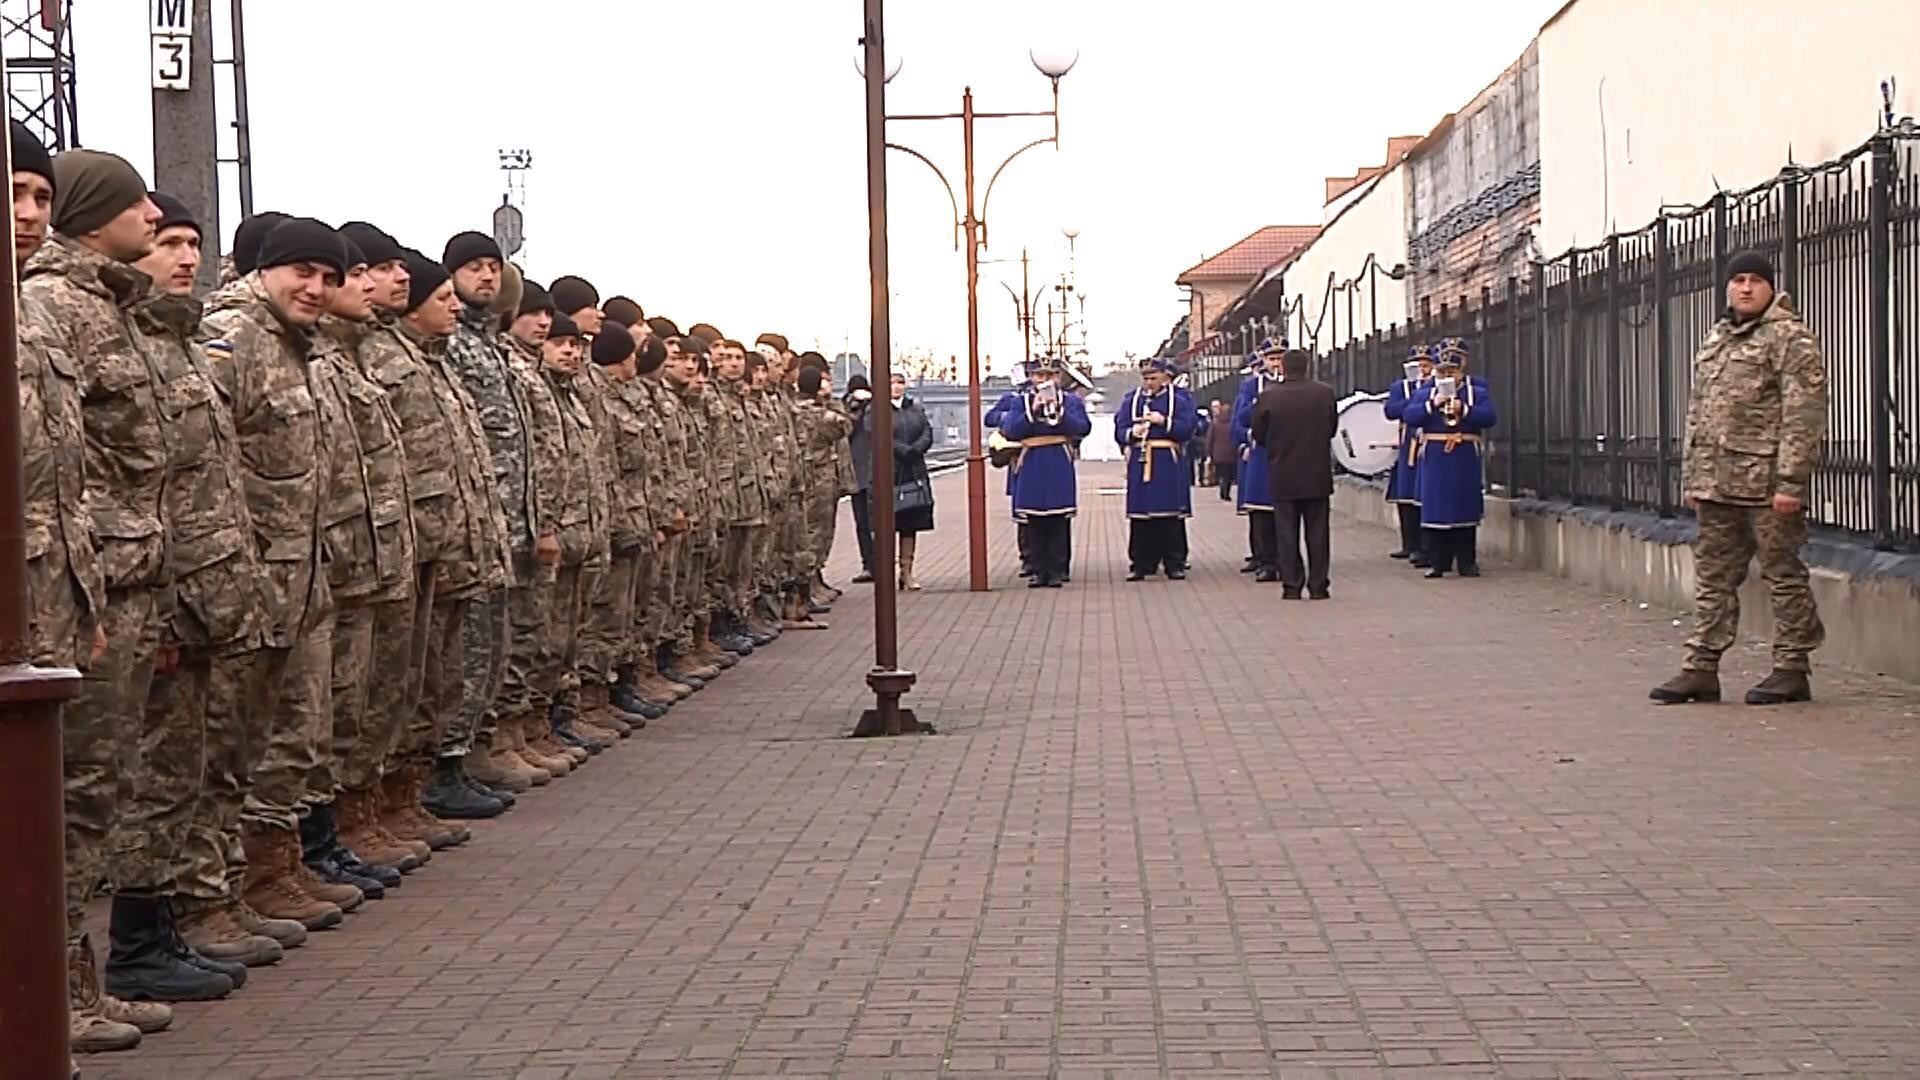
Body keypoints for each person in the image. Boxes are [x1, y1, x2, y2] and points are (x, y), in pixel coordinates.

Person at [1651, 250, 1829, 707]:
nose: (1745, 288)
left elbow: (1803, 416)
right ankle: (1701, 668)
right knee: (1712, 577)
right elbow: (1699, 413)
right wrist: (1695, 476)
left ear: (1770, 287)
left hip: (1767, 486)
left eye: (1755, 280)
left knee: (1782, 574)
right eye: (1738, 280)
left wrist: (1790, 482)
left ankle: (1792, 667)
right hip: (1718, 485)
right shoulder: (1718, 338)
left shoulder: (1791, 339)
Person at [1402, 337, 1496, 579]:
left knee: (1465, 506)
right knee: (1435, 508)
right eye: (1443, 371)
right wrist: (1433, 404)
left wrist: (1464, 410)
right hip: (1435, 455)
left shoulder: (1476, 391)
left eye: (1452, 372)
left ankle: (1467, 562)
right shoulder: (1426, 392)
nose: (1447, 376)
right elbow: (1410, 416)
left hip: (1464, 453)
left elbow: (1489, 417)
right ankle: (1438, 562)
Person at [1251, 350, 1338, 598]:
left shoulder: (1268, 396)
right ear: (1307, 366)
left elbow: (1258, 432)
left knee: (1286, 533)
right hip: (1317, 472)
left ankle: (1292, 585)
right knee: (1318, 533)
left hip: (1282, 473)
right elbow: (1331, 427)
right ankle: (1319, 585)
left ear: (1284, 368)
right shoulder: (1324, 393)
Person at [999, 355, 1091, 588]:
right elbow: (1010, 430)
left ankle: (1059, 568)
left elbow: (1083, 428)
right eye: (1040, 376)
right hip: (1031, 460)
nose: (1045, 380)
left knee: (1059, 517)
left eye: (1050, 375)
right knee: (1035, 517)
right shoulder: (1020, 401)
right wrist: (1033, 410)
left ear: (1058, 377)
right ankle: (1039, 570)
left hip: (1058, 458)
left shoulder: (1070, 401)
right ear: (1031, 378)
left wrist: (1061, 413)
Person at [1116, 357, 1198, 580]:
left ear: (1165, 376)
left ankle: (1174, 561)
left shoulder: (1180, 399)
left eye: (1154, 378)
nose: (1149, 383)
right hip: (1140, 459)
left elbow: (1189, 428)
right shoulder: (1131, 399)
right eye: (1146, 378)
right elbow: (1120, 428)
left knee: (1169, 512)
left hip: (1166, 459)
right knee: (1140, 514)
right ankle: (1141, 562)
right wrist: (1131, 433)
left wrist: (1164, 421)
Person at [1232, 341, 1287, 575]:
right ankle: (1265, 561)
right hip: (1263, 453)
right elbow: (1241, 417)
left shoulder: (1297, 384)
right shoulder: (1251, 386)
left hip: (1289, 452)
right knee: (1262, 511)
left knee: (1286, 511)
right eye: (1271, 359)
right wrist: (1261, 401)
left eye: (1280, 358)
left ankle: (1287, 561)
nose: (1275, 364)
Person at [1383, 344, 1432, 566]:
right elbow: (1391, 411)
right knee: (1405, 493)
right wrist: (1413, 397)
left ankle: (1425, 546)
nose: (1422, 369)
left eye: (1426, 365)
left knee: (1422, 493)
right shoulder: (1400, 387)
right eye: (1418, 365)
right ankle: (1409, 543)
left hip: (1426, 442)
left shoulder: (1435, 387)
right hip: (1407, 441)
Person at [887, 372, 935, 590]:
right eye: (892, 383)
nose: (896, 387)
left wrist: (917, 449)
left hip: (914, 470)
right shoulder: (877, 410)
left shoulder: (916, 408)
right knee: (888, 523)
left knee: (910, 522)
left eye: (900, 383)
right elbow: (878, 434)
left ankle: (907, 571)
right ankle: (887, 570)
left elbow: (927, 431)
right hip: (889, 471)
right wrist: (902, 450)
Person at [844, 374, 877, 583]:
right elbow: (844, 432)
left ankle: (880, 563)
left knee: (877, 522)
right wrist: (855, 409)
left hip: (875, 472)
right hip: (857, 473)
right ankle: (868, 563)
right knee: (862, 522)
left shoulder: (877, 406)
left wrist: (869, 404)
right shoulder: (845, 407)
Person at [1206, 400, 1237, 501]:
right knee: (1228, 475)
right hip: (1230, 454)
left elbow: (1210, 439)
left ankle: (1221, 489)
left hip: (1217, 454)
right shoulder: (1232, 424)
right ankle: (1225, 492)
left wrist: (1210, 452)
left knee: (1221, 474)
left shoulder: (1215, 423)